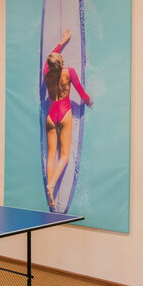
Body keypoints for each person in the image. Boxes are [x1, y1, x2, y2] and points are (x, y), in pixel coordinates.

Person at [43, 29, 92, 211]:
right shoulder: (69, 72)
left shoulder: (46, 74)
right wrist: (90, 102)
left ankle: (50, 195)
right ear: (62, 63)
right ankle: (52, 184)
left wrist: (61, 42)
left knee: (51, 155)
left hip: (51, 115)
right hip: (64, 113)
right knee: (64, 155)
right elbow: (82, 94)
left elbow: (50, 58)